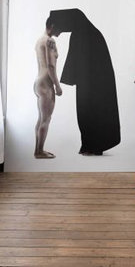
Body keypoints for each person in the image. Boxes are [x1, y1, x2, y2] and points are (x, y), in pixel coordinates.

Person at [47, 9, 121, 155]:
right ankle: (89, 145)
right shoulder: (83, 33)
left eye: (56, 29)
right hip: (88, 82)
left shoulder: (85, 34)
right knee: (85, 110)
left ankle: (94, 146)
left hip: (95, 83)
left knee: (91, 110)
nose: (57, 33)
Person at [33, 18, 62, 158]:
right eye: (60, 28)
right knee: (46, 119)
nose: (61, 31)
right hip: (46, 83)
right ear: (52, 26)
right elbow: (50, 66)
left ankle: (38, 150)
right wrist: (57, 85)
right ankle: (39, 151)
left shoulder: (40, 40)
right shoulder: (50, 41)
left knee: (41, 118)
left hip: (38, 82)